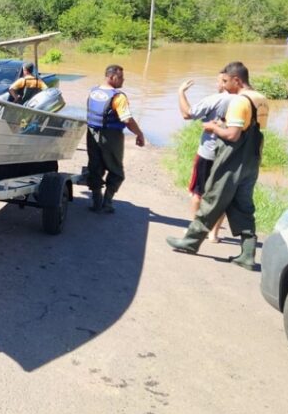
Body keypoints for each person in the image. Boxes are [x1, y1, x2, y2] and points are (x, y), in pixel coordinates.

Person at [167, 61, 269, 270]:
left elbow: (233, 135)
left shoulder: (240, 101)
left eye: (225, 80)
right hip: (252, 160)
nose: (222, 85)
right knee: (244, 207)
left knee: (213, 199)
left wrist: (213, 127)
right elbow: (252, 129)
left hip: (233, 159)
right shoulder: (261, 99)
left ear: (236, 80)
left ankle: (190, 242)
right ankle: (247, 255)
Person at [177, 73, 235, 242]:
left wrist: (181, 92)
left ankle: (196, 231)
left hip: (207, 153)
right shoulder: (243, 101)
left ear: (225, 83)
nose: (217, 83)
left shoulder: (215, 99)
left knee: (198, 193)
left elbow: (188, 114)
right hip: (229, 156)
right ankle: (213, 234)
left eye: (219, 80)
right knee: (222, 195)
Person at [85, 64, 146, 213]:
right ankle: (107, 202)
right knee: (116, 170)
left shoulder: (94, 91)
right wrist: (139, 134)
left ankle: (96, 200)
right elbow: (127, 120)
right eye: (121, 77)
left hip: (92, 134)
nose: (123, 81)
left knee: (95, 166)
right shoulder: (118, 97)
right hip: (111, 137)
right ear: (112, 77)